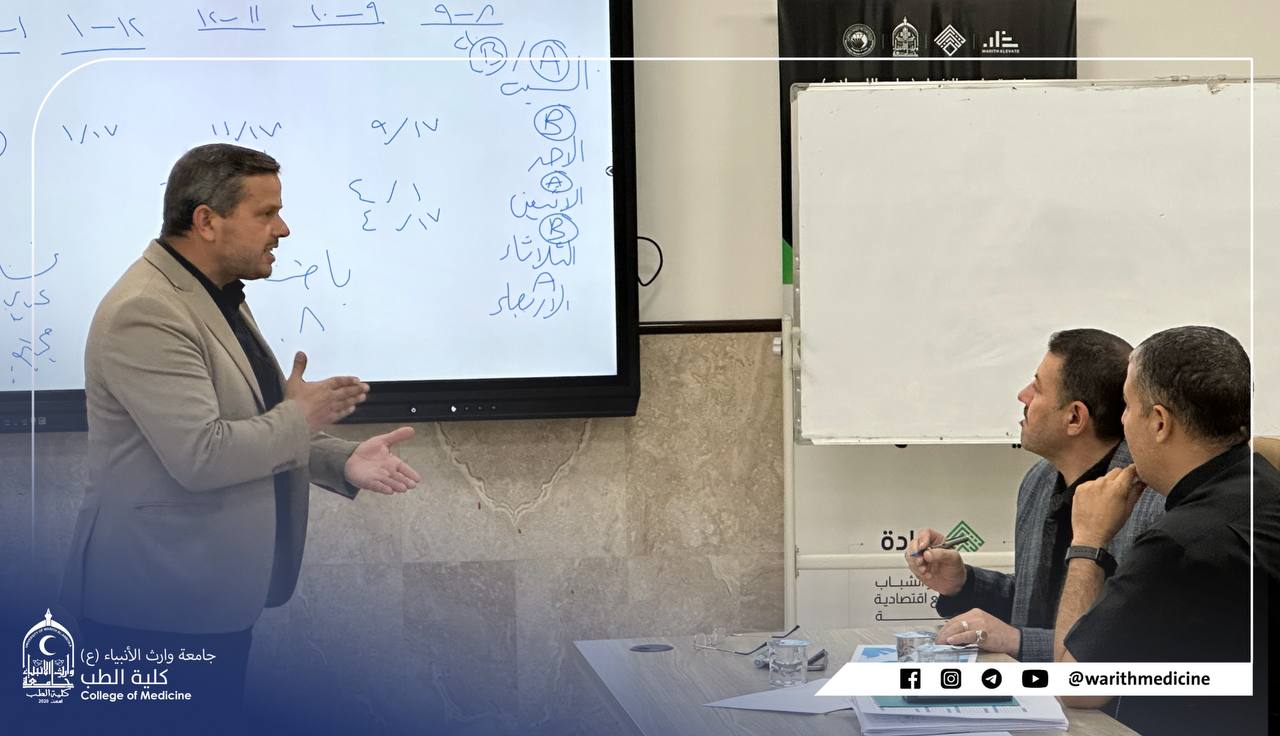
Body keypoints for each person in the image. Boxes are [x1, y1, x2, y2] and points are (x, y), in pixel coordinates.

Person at [60, 143, 422, 717]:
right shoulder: (146, 311)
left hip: (202, 602)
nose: (283, 229)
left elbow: (251, 426)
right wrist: (300, 417)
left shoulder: (213, 292)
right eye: (266, 213)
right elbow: (202, 455)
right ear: (206, 220)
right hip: (153, 612)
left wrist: (340, 460)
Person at [1056, 325, 1280, 734]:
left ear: (1159, 422)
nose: (1122, 421)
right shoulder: (1265, 485)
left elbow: (1076, 686)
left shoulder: (1181, 544)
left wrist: (1087, 541)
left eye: (1127, 406)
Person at [905, 329, 1164, 661]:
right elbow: (1036, 604)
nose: (1022, 395)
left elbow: (1130, 647)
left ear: (1074, 417)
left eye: (1037, 388)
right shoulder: (1039, 481)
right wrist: (963, 583)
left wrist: (1019, 641)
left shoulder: (1151, 500)